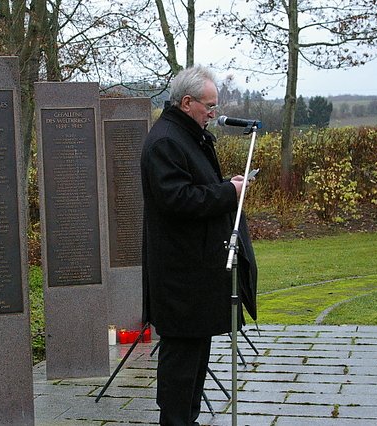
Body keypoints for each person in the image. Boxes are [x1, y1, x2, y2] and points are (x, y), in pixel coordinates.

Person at [140, 65, 258, 425]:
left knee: (194, 366)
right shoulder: (166, 141)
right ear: (187, 102)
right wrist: (228, 192)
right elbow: (177, 199)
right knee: (180, 370)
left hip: (194, 276)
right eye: (209, 106)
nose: (213, 113)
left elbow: (193, 184)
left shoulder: (186, 135)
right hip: (180, 280)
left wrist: (225, 184)